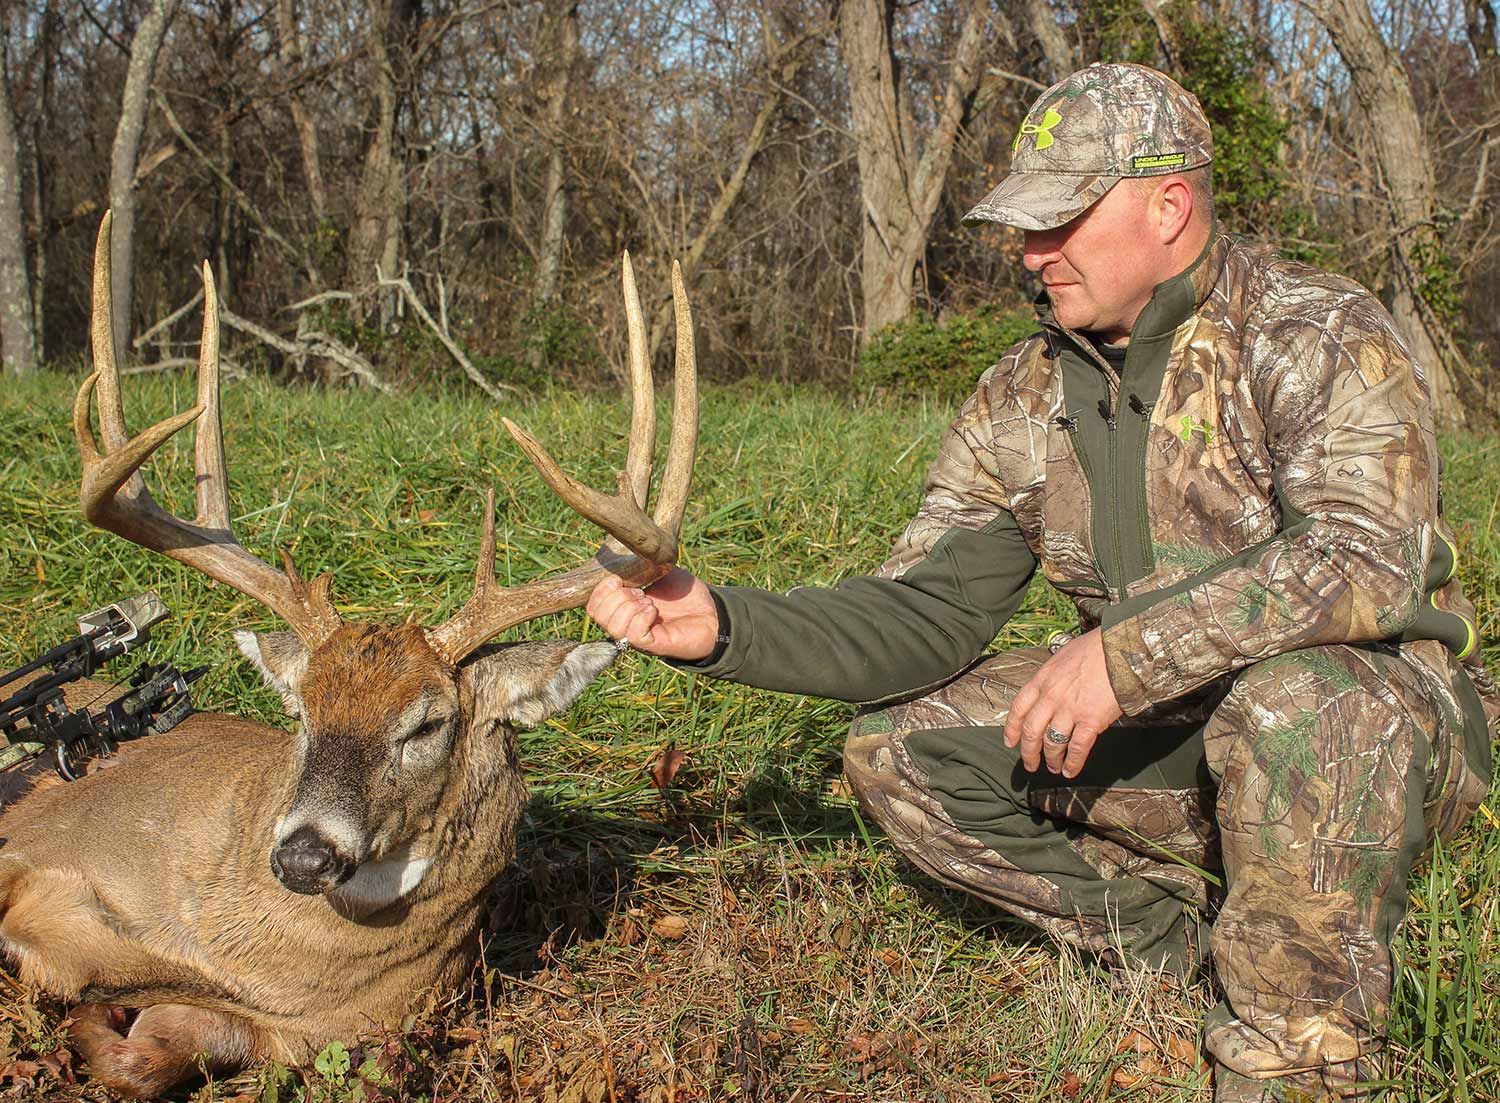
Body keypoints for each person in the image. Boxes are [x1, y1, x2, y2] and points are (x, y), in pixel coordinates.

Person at [586, 62, 1499, 1102]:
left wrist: (1124, 653)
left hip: (1367, 731)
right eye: (1024, 224)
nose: (1031, 252)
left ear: (1170, 205)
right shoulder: (1022, 393)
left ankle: (1298, 1046)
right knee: (897, 747)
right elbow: (926, 612)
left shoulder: (1317, 332)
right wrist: (723, 625)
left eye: (1061, 220)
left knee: (1301, 704)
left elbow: (1363, 558)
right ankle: (1179, 940)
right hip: (1177, 731)